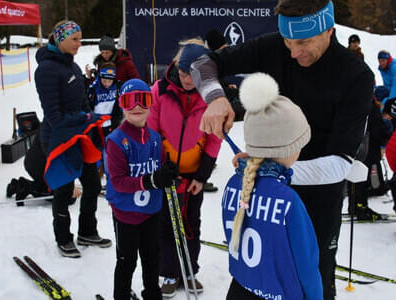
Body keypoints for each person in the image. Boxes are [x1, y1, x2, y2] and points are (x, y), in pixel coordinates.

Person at [190, 1, 374, 299]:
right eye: (287, 41)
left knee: (312, 283)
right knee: (250, 283)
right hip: (264, 198)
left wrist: (271, 170)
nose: (292, 53)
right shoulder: (275, 47)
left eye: (302, 42)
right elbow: (202, 65)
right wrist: (215, 97)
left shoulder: (356, 75)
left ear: (328, 30)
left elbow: (340, 165)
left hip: (316, 202)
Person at [223, 73, 322, 300]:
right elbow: (306, 267)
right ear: (288, 148)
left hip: (239, 289)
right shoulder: (288, 201)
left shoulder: (232, 184)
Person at [147, 39, 222, 297]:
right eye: (182, 73)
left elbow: (214, 137)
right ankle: (169, 272)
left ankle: (189, 271)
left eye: (193, 75)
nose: (187, 80)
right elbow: (152, 130)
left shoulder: (211, 93)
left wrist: (202, 175)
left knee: (191, 222)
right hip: (168, 171)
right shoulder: (160, 89)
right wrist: (161, 168)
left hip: (193, 173)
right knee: (167, 224)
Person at [34, 20, 112, 258]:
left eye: (80, 38)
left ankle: (87, 231)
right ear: (60, 39)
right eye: (75, 39)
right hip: (58, 138)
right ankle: (63, 238)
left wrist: (89, 118)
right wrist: (84, 117)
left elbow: (83, 102)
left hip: (79, 136)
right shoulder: (46, 70)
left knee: (91, 185)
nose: (80, 44)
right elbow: (54, 116)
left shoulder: (74, 67)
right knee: (64, 190)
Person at [105, 78, 179, 300]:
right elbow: (117, 181)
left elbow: (159, 172)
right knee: (127, 261)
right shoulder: (116, 141)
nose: (137, 107)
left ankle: (152, 294)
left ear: (150, 104)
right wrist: (151, 181)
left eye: (143, 100)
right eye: (130, 101)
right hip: (126, 214)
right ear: (122, 105)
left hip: (151, 211)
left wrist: (167, 173)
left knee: (152, 258)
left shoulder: (155, 139)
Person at [347, 99, 392, 220]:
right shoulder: (370, 104)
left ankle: (355, 206)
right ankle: (360, 207)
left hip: (354, 146)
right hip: (368, 149)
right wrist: (385, 138)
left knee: (356, 177)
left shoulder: (352, 99)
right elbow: (378, 129)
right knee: (365, 180)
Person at [87, 61, 123, 136]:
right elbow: (87, 103)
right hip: (95, 125)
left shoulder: (117, 88)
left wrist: (116, 123)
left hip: (110, 125)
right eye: (104, 81)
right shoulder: (94, 87)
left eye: (109, 81)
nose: (107, 83)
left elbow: (118, 108)